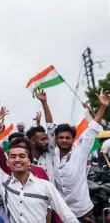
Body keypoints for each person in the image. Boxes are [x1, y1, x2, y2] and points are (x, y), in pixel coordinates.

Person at [0, 125, 78, 222]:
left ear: (29, 162)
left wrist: (48, 213)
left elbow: (67, 216)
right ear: (8, 162)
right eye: (13, 156)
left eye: (22, 156)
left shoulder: (46, 186)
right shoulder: (5, 183)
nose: (17, 159)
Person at [48, 89, 109, 222]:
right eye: (61, 138)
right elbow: (49, 128)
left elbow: (92, 128)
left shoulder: (80, 151)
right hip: (61, 213)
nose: (64, 140)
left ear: (72, 139)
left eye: (67, 138)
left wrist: (102, 107)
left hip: (82, 213)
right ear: (56, 140)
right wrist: (44, 102)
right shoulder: (52, 156)